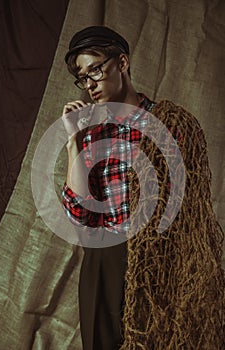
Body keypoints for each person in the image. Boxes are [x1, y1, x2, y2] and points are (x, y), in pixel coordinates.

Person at [62, 26, 224, 350]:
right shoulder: (93, 135)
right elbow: (81, 215)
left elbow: (191, 211)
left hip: (159, 261)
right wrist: (73, 142)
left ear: (122, 63)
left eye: (95, 69)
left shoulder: (171, 123)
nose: (90, 84)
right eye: (83, 77)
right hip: (104, 262)